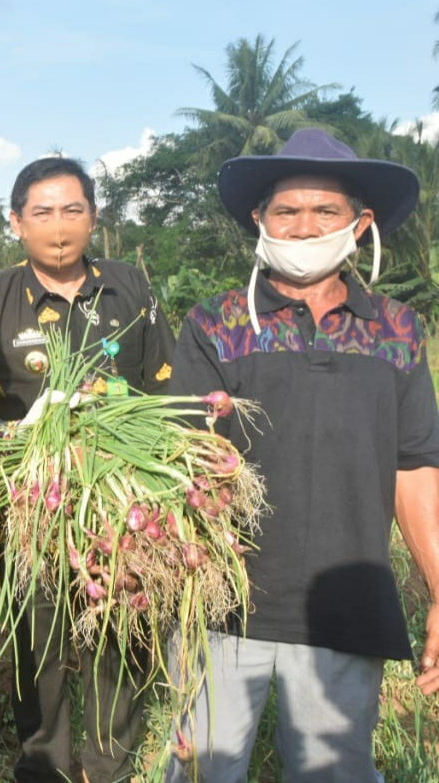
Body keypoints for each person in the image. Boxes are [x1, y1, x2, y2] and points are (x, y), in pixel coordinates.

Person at [166, 128, 439, 781]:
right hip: (222, 605)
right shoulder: (216, 323)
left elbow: (415, 466)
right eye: (286, 211)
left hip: (346, 607)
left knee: (335, 771)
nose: (302, 227)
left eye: (325, 212)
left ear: (360, 222)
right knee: (206, 770)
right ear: (259, 219)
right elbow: (182, 463)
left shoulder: (398, 330)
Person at [0, 156, 175, 782]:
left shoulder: (129, 289)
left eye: (73, 210)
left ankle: (109, 764)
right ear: (15, 222)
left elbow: (163, 386)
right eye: (42, 213)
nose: (59, 227)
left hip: (123, 500)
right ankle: (43, 765)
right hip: (31, 503)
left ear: (93, 216)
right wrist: (25, 440)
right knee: (39, 638)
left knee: (122, 631)